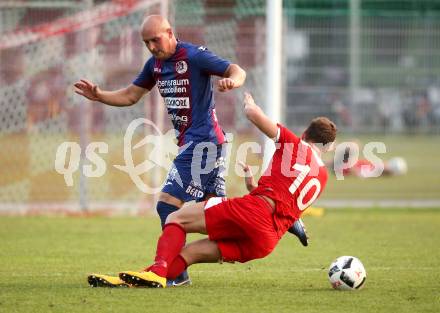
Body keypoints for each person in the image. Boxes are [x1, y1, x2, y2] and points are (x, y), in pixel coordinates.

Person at [75, 15, 246, 286]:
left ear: (169, 32)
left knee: (167, 204)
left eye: (155, 39)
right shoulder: (155, 65)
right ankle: (279, 220)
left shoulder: (193, 56)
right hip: (206, 143)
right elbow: (132, 95)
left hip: (203, 143)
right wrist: (100, 95)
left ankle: (172, 272)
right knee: (219, 212)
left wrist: (232, 82)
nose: (152, 46)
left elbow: (236, 70)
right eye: (146, 42)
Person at [115, 92, 337, 288]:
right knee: (190, 254)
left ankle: (156, 272)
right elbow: (284, 199)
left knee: (175, 217)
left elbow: (253, 114)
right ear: (326, 147)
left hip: (253, 213)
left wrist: (249, 101)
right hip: (266, 241)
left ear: (305, 133)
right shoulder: (323, 177)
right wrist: (253, 186)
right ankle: (143, 279)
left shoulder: (296, 145)